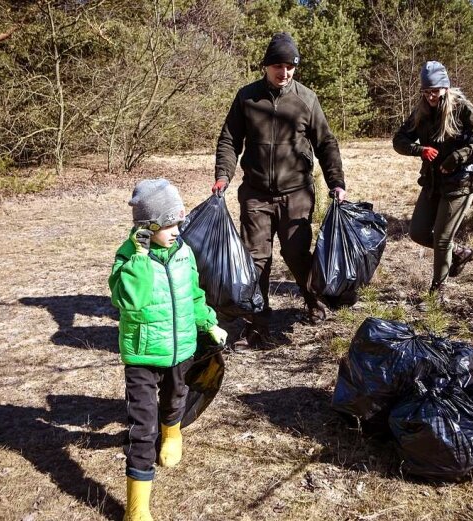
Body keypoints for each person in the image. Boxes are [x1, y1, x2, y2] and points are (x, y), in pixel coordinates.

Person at [212, 32, 347, 349]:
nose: (283, 72)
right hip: (256, 193)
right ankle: (257, 325)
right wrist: (223, 175)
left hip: (296, 193)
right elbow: (230, 141)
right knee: (255, 259)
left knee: (296, 254)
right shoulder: (247, 98)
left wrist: (336, 182)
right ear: (265, 66)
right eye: (277, 66)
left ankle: (314, 302)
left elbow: (326, 144)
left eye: (289, 67)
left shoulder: (306, 99)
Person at [109, 178, 228, 521]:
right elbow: (130, 299)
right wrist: (142, 256)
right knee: (141, 428)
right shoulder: (128, 258)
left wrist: (208, 322)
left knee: (176, 396)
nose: (177, 230)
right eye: (168, 224)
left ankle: (172, 433)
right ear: (147, 228)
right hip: (143, 356)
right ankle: (137, 509)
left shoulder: (184, 252)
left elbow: (193, 294)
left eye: (179, 222)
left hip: (181, 349)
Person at [393, 61, 473, 300]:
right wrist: (419, 150)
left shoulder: (463, 109)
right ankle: (459, 253)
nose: (431, 96)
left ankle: (438, 290)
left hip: (459, 184)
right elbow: (399, 140)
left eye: (435, 90)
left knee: (442, 238)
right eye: (426, 92)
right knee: (417, 232)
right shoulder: (422, 111)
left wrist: (457, 157)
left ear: (446, 88)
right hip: (432, 183)